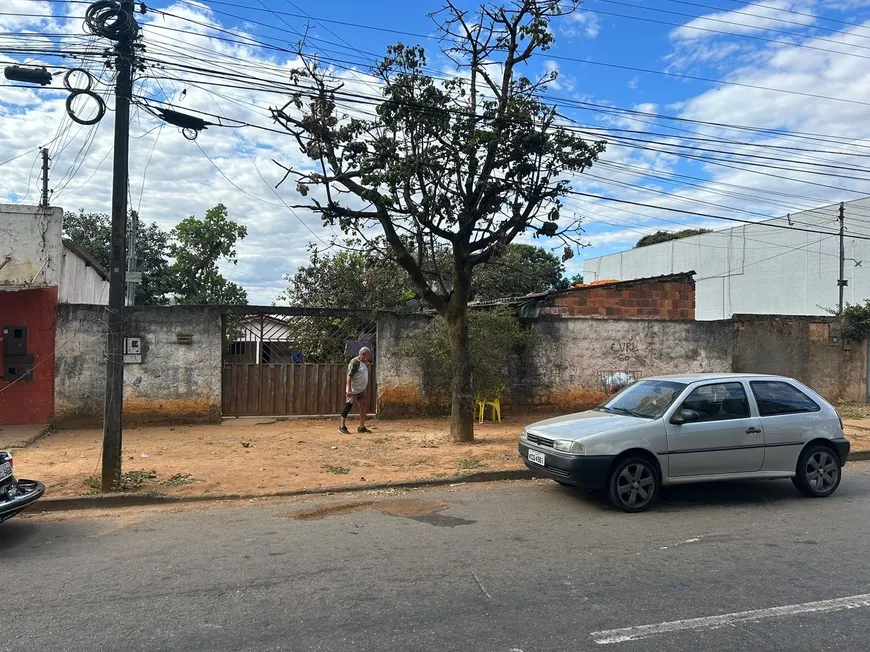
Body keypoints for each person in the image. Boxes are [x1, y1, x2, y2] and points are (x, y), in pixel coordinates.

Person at [339, 347, 372, 434]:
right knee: (348, 405)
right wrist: (349, 389)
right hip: (353, 389)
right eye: (368, 355)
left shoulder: (364, 362)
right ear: (363, 355)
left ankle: (361, 427)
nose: (370, 357)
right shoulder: (354, 362)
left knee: (363, 405)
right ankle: (342, 426)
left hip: (361, 389)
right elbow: (349, 375)